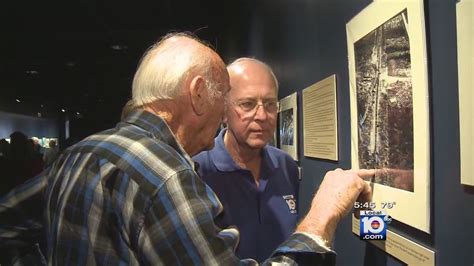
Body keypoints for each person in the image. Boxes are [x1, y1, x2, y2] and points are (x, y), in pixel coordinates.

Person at [0, 32, 373, 265]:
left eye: (270, 103)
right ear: (198, 94)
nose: (257, 114)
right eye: (227, 96)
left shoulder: (82, 152)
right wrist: (321, 219)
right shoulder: (167, 177)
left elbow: (9, 223)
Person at [193, 58, 299, 261]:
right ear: (224, 112)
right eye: (248, 104)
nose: (262, 115)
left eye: (269, 104)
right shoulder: (197, 171)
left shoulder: (286, 166)